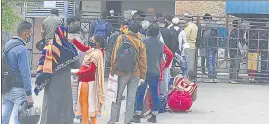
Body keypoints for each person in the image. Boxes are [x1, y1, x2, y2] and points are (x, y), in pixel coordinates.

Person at [35, 26, 80, 124]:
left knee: (50, 107)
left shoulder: (48, 47)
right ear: (65, 34)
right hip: (65, 85)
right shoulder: (70, 48)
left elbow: (41, 65)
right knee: (65, 107)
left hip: (51, 84)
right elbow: (77, 65)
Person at [108, 21, 147, 124]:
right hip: (136, 73)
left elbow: (114, 54)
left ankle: (113, 120)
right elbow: (143, 61)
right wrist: (142, 75)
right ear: (138, 30)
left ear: (128, 28)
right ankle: (128, 120)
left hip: (121, 72)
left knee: (117, 96)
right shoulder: (140, 42)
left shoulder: (121, 38)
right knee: (131, 97)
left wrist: (112, 70)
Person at [132, 24, 170, 123]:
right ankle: (154, 115)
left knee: (140, 92)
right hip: (156, 71)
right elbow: (162, 58)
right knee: (154, 94)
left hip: (143, 71)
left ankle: (137, 114)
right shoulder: (161, 44)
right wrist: (164, 67)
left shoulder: (143, 41)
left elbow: (138, 56)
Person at [2, 21, 34, 124]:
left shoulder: (7, 46)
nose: (30, 37)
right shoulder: (22, 49)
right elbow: (25, 73)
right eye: (30, 34)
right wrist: (29, 94)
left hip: (6, 87)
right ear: (26, 34)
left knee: (4, 117)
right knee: (19, 119)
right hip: (19, 89)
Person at [70, 36, 105, 124]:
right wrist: (73, 41)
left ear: (97, 43)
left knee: (88, 106)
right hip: (85, 82)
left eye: (92, 41)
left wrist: (79, 73)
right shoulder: (93, 51)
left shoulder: (96, 54)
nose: (90, 42)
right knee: (85, 106)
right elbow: (83, 48)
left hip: (88, 83)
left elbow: (91, 70)